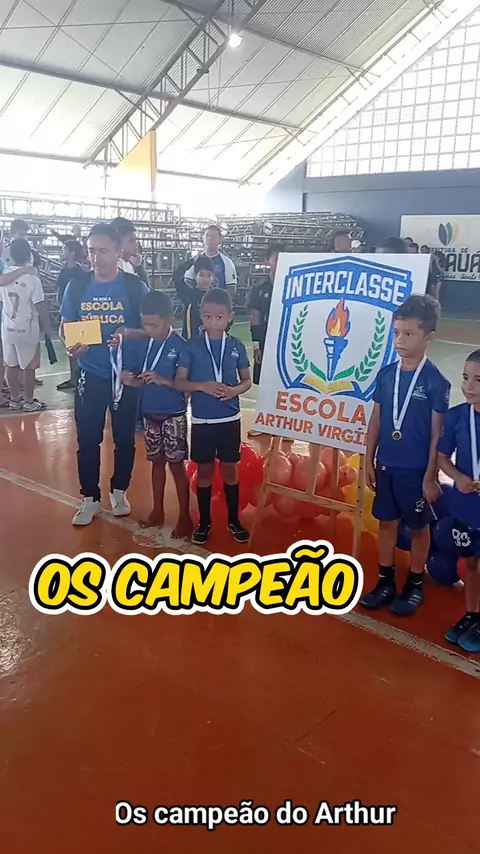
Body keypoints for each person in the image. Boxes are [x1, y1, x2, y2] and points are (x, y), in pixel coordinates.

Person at [361, 294, 451, 616]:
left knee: (417, 527)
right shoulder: (387, 375)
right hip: (386, 465)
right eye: (396, 332)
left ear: (428, 336)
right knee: (386, 523)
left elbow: (437, 435)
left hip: (415, 471)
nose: (400, 340)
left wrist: (430, 475)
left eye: (409, 333)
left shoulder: (436, 382)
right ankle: (386, 579)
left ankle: (414, 582)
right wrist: (368, 458)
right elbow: (376, 421)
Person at [60, 223, 149, 526]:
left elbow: (152, 330)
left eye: (102, 251)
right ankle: (90, 497)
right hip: (91, 373)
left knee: (124, 438)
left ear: (117, 251)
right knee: (88, 438)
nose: (96, 258)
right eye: (91, 251)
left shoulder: (135, 287)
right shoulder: (77, 286)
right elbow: (66, 326)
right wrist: (72, 345)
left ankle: (119, 491)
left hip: (125, 375)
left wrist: (129, 333)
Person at [175, 289, 251, 545]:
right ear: (201, 316)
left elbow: (246, 380)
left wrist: (233, 391)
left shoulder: (236, 346)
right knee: (204, 471)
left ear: (230, 317)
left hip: (230, 418)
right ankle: (204, 521)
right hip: (203, 420)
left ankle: (234, 520)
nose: (213, 322)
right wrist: (202, 386)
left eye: (219, 317)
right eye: (207, 316)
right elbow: (180, 382)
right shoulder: (192, 346)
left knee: (230, 470)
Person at [121, 290, 192, 539]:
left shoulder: (181, 346)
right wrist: (131, 380)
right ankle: (157, 511)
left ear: (169, 319)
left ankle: (185, 517)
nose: (150, 330)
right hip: (149, 412)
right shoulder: (146, 344)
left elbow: (184, 385)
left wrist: (163, 380)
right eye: (146, 325)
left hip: (173, 414)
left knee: (177, 466)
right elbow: (142, 380)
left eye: (155, 325)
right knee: (156, 463)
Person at [438, 350, 480, 652]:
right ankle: (471, 615)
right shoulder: (456, 417)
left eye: (479, 380)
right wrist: (458, 477)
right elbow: (442, 458)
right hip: (466, 506)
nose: (469, 386)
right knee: (472, 565)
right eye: (466, 378)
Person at [0, 239, 50, 412]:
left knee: (10, 365)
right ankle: (28, 401)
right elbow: (39, 306)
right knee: (28, 367)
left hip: (7, 327)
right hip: (27, 328)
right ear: (29, 255)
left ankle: (15, 399)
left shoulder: (5, 276)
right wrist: (47, 327)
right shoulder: (32, 278)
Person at [247, 244, 289, 439]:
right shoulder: (259, 288)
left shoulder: (294, 285)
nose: (280, 262)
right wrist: (256, 345)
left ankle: (286, 426)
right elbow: (255, 317)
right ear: (268, 262)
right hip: (265, 340)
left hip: (288, 342)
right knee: (265, 383)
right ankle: (263, 422)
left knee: (287, 383)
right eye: (276, 259)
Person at [56, 241, 86, 391]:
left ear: (72, 253)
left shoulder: (80, 274)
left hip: (75, 315)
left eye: (64, 249)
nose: (62, 252)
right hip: (66, 311)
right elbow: (60, 290)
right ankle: (74, 377)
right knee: (70, 346)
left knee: (77, 347)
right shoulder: (64, 271)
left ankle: (79, 377)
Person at [185, 225, 237, 300]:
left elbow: (232, 289)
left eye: (213, 236)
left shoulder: (227, 262)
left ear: (220, 240)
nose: (209, 238)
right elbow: (187, 281)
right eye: (207, 236)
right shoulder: (194, 260)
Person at [174, 255, 214, 339]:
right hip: (189, 342)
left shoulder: (215, 296)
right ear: (195, 275)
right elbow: (177, 274)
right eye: (201, 275)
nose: (206, 279)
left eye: (209, 275)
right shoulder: (188, 294)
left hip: (209, 343)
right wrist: (192, 261)